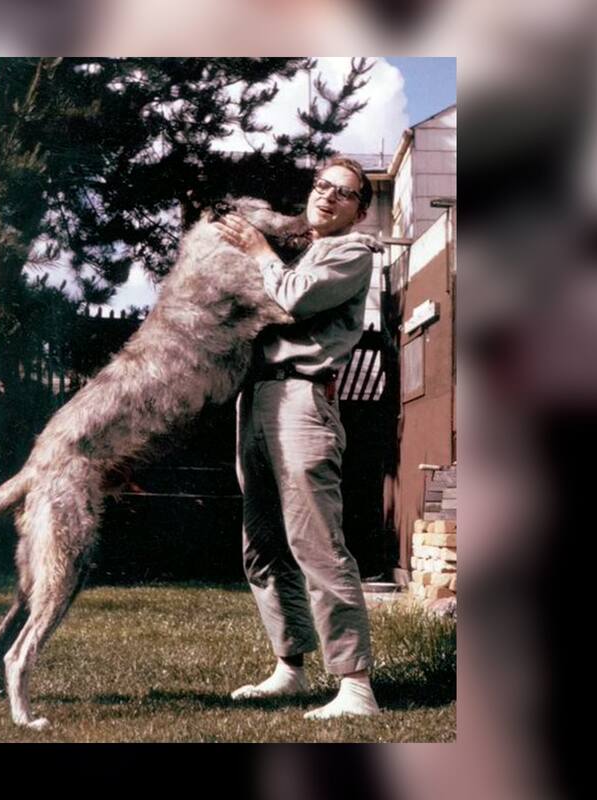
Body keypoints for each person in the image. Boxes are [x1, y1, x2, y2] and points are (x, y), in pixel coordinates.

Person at [213, 157, 381, 719]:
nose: (328, 197)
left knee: (317, 545)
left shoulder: (351, 252)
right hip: (256, 400)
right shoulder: (303, 250)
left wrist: (260, 254)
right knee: (260, 545)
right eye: (322, 186)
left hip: (303, 401)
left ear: (360, 210)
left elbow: (292, 299)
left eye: (345, 193)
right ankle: (290, 667)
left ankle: (356, 687)